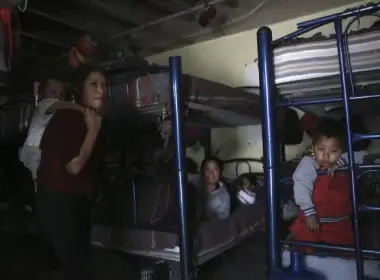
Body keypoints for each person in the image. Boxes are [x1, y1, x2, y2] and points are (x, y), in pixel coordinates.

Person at [35, 64, 106, 280]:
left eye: (104, 85)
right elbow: (74, 166)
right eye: (93, 84)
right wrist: (93, 132)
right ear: (78, 89)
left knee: (73, 262)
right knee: (80, 269)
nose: (101, 90)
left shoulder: (89, 118)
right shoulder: (69, 117)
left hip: (74, 199)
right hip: (58, 200)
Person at [290, 118, 354, 250]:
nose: (326, 156)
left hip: (340, 226)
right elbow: (301, 186)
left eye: (334, 151)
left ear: (342, 151)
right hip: (313, 223)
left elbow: (362, 156)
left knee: (342, 257)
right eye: (321, 149)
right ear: (313, 148)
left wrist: (339, 163)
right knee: (309, 252)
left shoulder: (343, 165)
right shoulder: (309, 164)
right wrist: (309, 213)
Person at [19, 76, 84, 185]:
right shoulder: (44, 104)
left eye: (61, 95)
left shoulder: (57, 112)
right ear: (43, 94)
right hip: (34, 149)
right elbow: (65, 104)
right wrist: (84, 110)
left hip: (40, 150)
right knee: (40, 176)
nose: (57, 97)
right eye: (53, 92)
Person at [199, 156, 231, 220]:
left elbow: (222, 221)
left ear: (220, 173)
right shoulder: (194, 187)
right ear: (202, 171)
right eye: (207, 169)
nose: (211, 172)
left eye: (215, 169)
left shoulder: (224, 196)